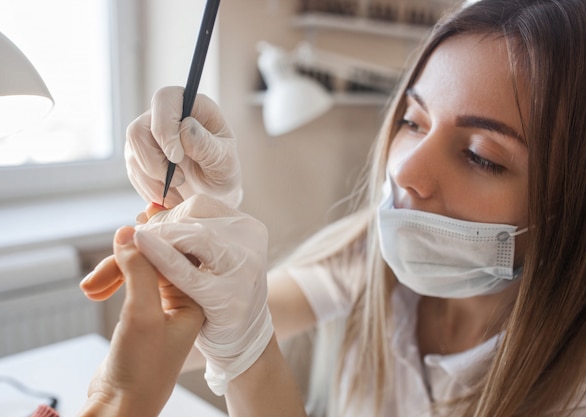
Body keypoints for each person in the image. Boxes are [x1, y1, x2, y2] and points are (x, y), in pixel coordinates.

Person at [78, 0, 586, 416]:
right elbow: (177, 348)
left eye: (480, 156)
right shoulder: (366, 255)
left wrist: (249, 350)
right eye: (412, 121)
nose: (407, 170)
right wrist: (202, 221)